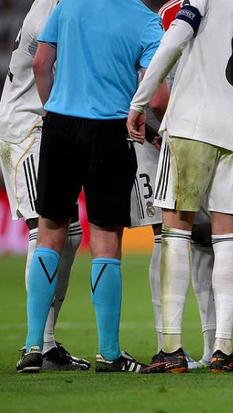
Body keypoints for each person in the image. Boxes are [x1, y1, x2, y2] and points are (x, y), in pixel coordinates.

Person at [128, 0, 233, 373]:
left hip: (190, 123)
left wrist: (139, 102)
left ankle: (170, 349)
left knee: (175, 231)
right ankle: (222, 350)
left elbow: (174, 40)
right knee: (226, 239)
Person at [19, 0, 164, 373]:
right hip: (111, 130)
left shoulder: (69, 5)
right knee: (105, 239)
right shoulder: (146, 21)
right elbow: (158, 96)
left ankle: (33, 347)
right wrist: (145, 120)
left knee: (49, 231)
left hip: (60, 125)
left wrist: (54, 109)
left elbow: (40, 64)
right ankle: (109, 353)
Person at [0, 0, 89, 372]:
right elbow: (43, 65)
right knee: (45, 228)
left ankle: (47, 344)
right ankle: (34, 345)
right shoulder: (52, 9)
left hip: (45, 124)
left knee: (70, 234)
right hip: (28, 128)